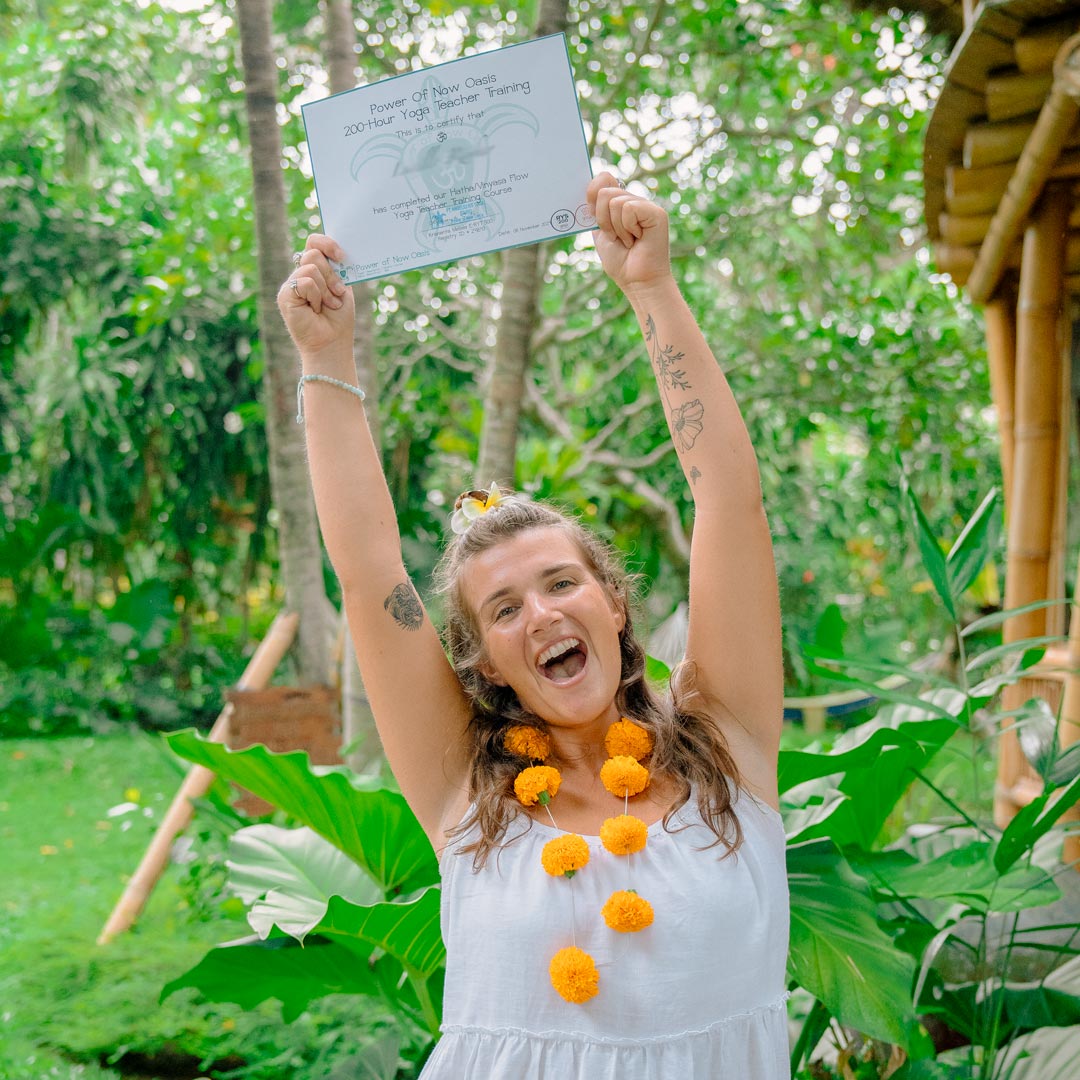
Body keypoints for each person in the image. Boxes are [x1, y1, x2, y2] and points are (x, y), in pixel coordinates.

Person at [278, 173, 789, 1078]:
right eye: (506, 609)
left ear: (614, 603)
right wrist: (327, 357)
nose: (543, 613)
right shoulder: (464, 795)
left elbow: (729, 505)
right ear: (485, 662)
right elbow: (368, 578)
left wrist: (652, 290)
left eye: (561, 583)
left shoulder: (729, 745)